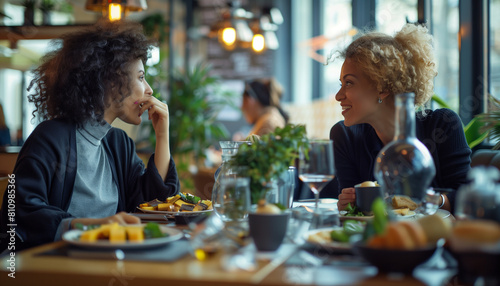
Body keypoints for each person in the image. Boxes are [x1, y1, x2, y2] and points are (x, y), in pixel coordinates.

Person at [0, 20, 180, 252]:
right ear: (112, 81)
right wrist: (95, 226)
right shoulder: (50, 137)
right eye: (141, 77)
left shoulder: (118, 143)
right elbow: (19, 211)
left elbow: (152, 202)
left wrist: (162, 134)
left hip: (108, 261)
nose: (149, 90)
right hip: (56, 264)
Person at [331, 24, 471, 213]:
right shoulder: (344, 136)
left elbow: (466, 198)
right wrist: (348, 202)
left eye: (349, 83)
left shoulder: (443, 124)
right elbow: (356, 215)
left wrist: (427, 199)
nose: (338, 96)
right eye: (341, 83)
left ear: (383, 87)